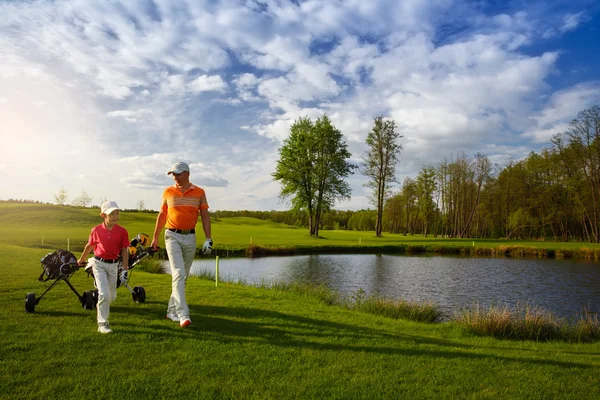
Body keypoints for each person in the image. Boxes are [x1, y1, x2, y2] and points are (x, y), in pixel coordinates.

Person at [151, 161, 212, 328]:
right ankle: (183, 314)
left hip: (190, 237)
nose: (175, 177)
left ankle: (171, 311)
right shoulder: (168, 191)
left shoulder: (199, 192)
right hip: (172, 236)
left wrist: (208, 238)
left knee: (182, 277)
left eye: (178, 174)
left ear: (187, 174)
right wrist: (155, 237)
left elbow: (205, 216)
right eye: (173, 174)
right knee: (178, 273)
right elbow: (162, 215)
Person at [77, 200, 129, 334]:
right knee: (104, 295)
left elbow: (124, 250)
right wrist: (81, 260)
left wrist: (125, 268)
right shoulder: (96, 230)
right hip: (98, 264)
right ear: (103, 215)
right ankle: (102, 324)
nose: (115, 216)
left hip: (113, 266)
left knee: (111, 297)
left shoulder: (122, 232)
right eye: (112, 214)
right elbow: (89, 246)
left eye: (116, 213)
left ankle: (100, 287)